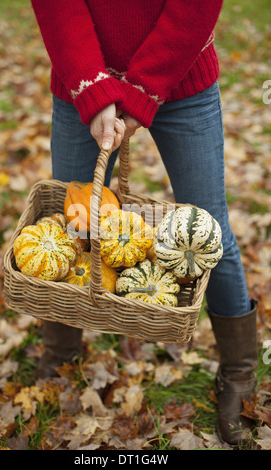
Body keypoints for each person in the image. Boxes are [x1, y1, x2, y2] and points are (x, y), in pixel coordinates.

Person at [30, 0, 258, 447]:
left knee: (210, 229)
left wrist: (142, 90)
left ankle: (240, 370)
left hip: (181, 75)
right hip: (82, 74)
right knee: (69, 229)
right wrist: (92, 89)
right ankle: (59, 355)